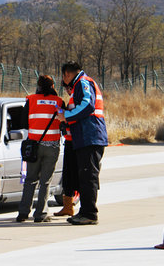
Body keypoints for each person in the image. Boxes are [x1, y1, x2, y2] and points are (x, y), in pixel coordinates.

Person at [57, 61, 108, 225]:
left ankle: (89, 213)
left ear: (67, 74)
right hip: (86, 137)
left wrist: (66, 115)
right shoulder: (81, 83)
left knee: (88, 177)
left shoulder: (82, 83)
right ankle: (85, 211)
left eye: (63, 76)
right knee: (86, 177)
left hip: (90, 137)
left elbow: (87, 105)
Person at [16, 75, 63, 223]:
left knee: (30, 179)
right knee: (45, 181)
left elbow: (23, 122)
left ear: (38, 85)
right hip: (52, 146)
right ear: (53, 86)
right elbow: (64, 122)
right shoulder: (59, 102)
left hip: (34, 146)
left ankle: (23, 213)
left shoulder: (31, 100)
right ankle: (41, 214)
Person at [54, 82, 79, 217]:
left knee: (76, 174)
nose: (68, 91)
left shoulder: (76, 101)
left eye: (69, 88)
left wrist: (64, 116)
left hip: (77, 142)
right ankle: (67, 206)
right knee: (67, 176)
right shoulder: (70, 101)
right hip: (69, 142)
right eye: (66, 89)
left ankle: (72, 206)